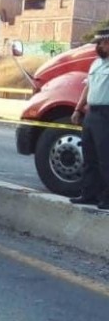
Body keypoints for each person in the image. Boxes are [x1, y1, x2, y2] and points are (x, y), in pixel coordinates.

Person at [69, 28, 109, 209]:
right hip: (92, 114)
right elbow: (88, 87)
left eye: (102, 43)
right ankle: (89, 194)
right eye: (99, 43)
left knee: (105, 157)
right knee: (90, 156)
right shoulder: (96, 63)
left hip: (106, 114)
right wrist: (78, 109)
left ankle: (106, 197)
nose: (99, 46)